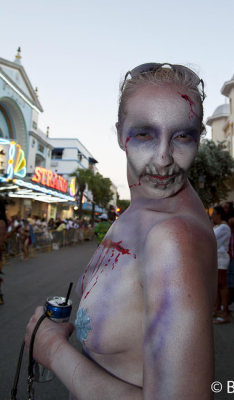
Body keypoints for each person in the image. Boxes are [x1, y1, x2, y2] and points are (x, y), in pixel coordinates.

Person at [25, 63, 217, 399]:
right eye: (144, 133)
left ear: (198, 138)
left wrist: (53, 351)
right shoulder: (137, 211)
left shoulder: (172, 239)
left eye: (182, 136)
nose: (163, 159)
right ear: (119, 133)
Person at [211, 205, 231, 324]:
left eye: (214, 214)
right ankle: (218, 308)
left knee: (222, 284)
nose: (212, 216)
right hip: (216, 257)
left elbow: (212, 238)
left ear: (219, 215)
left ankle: (224, 312)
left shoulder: (223, 227)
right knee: (218, 284)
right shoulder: (218, 226)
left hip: (221, 257)